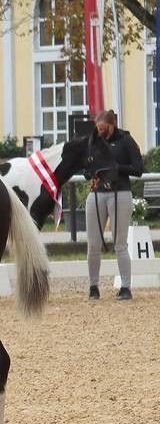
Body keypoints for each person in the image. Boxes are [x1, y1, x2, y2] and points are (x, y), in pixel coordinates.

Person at [85, 109, 143, 300]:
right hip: (97, 192)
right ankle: (93, 286)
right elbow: (86, 169)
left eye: (103, 128)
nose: (100, 132)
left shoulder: (126, 141)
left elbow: (138, 169)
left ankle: (125, 287)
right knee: (93, 243)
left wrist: (118, 169)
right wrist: (90, 170)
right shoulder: (95, 141)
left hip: (120, 192)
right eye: (98, 128)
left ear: (111, 125)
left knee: (120, 243)